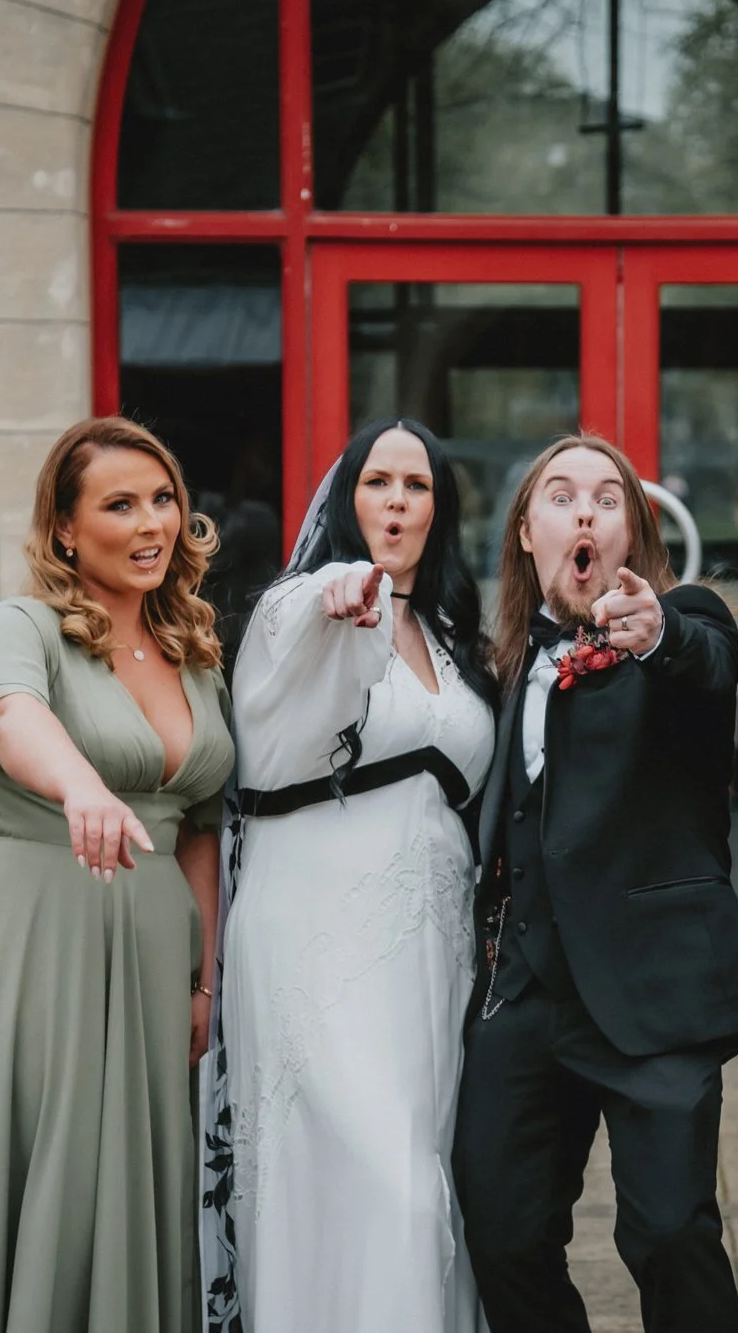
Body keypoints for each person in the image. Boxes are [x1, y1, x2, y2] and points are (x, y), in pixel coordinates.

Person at [0, 417, 235, 1333]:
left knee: (131, 1185)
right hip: (33, 944)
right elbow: (4, 713)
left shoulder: (194, 651)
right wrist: (81, 786)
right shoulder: (18, 626)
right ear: (66, 528)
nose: (152, 522)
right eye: (120, 504)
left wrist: (203, 975)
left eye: (163, 500)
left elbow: (199, 823)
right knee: (38, 1170)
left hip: (155, 960)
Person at [452, 435, 738, 1333]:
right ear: (529, 532)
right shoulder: (511, 660)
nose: (588, 510)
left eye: (610, 497)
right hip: (525, 995)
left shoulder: (685, 622)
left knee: (672, 1234)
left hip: (656, 990)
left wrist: (659, 630)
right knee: (502, 1232)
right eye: (562, 496)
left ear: (632, 535)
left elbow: (708, 661)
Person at [202, 419, 498, 1332]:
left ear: (438, 508)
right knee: (379, 1181)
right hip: (317, 937)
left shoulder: (453, 635)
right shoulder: (299, 609)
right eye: (377, 482)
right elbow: (315, 625)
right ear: (345, 499)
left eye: (416, 485)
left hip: (429, 956)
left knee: (423, 1169)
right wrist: (344, 592)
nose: (397, 501)